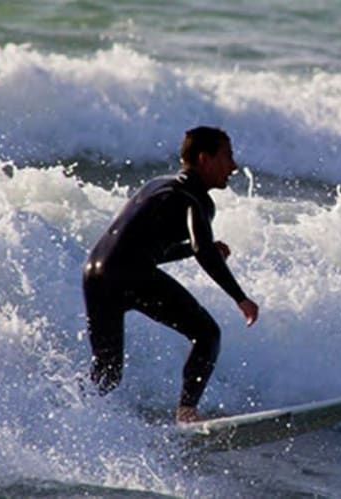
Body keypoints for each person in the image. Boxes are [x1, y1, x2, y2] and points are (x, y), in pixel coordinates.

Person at [82, 126, 260, 423]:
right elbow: (203, 250)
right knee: (206, 334)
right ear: (204, 158)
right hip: (129, 273)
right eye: (227, 157)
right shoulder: (194, 198)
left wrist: (195, 249)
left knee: (107, 373)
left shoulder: (158, 185)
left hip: (96, 272)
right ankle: (187, 413)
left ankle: (72, 411)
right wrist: (240, 298)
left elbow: (143, 248)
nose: (234, 166)